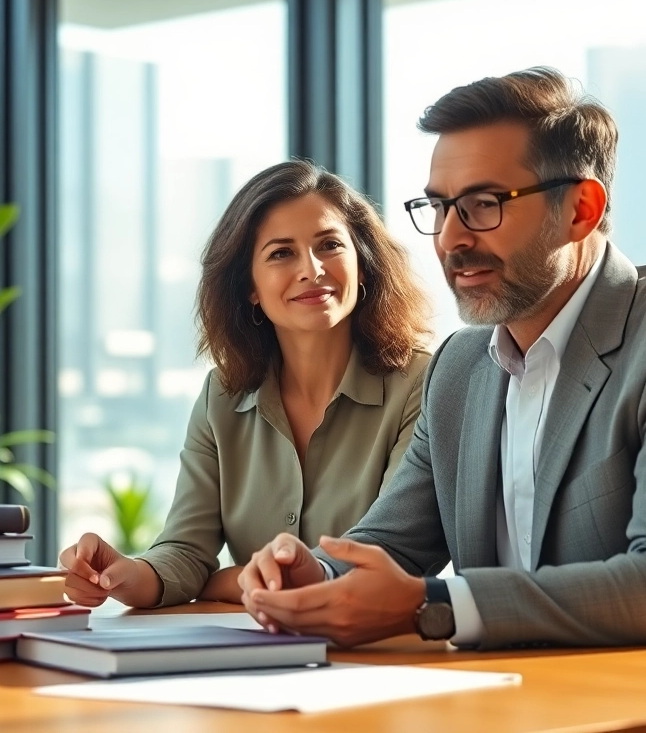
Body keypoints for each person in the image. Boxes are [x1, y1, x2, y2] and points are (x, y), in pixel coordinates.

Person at [238, 67, 646, 649]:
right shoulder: (461, 366)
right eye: (440, 207)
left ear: (581, 209)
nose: (449, 239)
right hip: (500, 698)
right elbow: (390, 544)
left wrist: (433, 605)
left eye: (483, 204)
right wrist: (312, 574)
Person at [60, 160, 432, 609]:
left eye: (329, 245)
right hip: (255, 648)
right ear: (250, 287)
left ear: (364, 266)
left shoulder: (421, 385)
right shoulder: (222, 395)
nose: (312, 270)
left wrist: (218, 582)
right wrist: (124, 575)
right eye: (281, 253)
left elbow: (383, 559)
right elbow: (184, 552)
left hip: (379, 655)